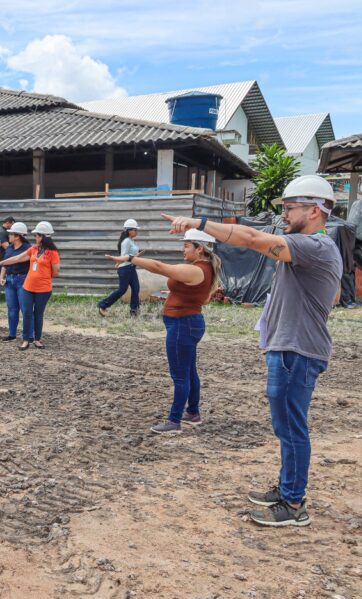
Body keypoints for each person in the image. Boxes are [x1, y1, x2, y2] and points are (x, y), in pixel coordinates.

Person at [162, 175, 344, 528]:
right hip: (293, 347)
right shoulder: (315, 250)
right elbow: (332, 296)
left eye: (290, 208)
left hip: (297, 351)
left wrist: (199, 222)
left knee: (291, 428)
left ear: (315, 210)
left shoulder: (314, 247)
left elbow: (251, 237)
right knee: (286, 426)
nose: (285, 214)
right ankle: (288, 490)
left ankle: (293, 505)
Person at [109, 229, 220, 436]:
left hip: (182, 325)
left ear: (200, 249)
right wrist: (177, 293)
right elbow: (200, 296)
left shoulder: (196, 270)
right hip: (187, 323)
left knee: (180, 376)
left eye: (186, 246)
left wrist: (130, 259)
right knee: (189, 371)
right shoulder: (202, 268)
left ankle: (174, 421)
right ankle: (193, 413)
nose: (182, 249)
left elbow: (159, 267)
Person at [0, 221, 60, 350]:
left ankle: (37, 339)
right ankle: (25, 340)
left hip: (43, 289)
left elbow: (56, 272)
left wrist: (41, 274)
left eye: (38, 235)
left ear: (43, 236)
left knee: (38, 313)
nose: (36, 238)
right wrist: (0, 264)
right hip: (28, 286)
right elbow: (17, 258)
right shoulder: (33, 249)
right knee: (27, 312)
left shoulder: (53, 253)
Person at [97, 218, 144, 317]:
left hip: (131, 268)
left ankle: (134, 311)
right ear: (129, 231)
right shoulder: (126, 241)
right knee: (122, 289)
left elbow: (129, 256)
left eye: (137, 230)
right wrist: (133, 258)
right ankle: (103, 304)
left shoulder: (131, 240)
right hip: (125, 269)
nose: (137, 232)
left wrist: (136, 256)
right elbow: (124, 256)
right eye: (135, 230)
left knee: (136, 288)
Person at [0, 222, 31, 341]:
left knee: (25, 309)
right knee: (12, 308)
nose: (9, 236)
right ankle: (12, 334)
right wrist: (2, 276)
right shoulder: (10, 248)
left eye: (11, 234)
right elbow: (5, 263)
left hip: (23, 280)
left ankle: (29, 335)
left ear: (18, 236)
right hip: (10, 281)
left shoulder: (28, 248)